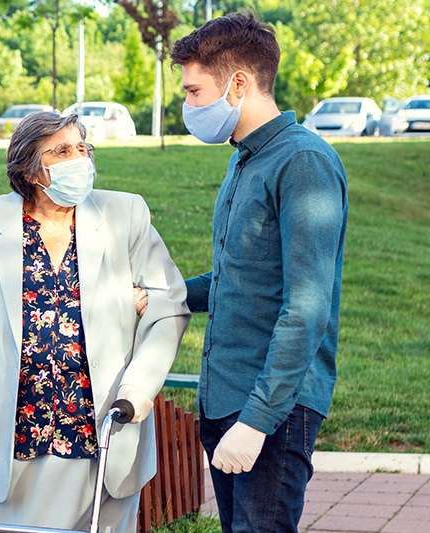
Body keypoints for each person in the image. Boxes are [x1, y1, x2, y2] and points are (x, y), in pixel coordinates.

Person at [0, 112, 190, 533]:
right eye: (63, 150)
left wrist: (140, 388)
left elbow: (168, 302)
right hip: (24, 432)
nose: (79, 159)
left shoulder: (124, 213)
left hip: (106, 422)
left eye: (83, 148)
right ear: (30, 169)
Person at [168, 11, 348, 533]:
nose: (188, 106)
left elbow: (306, 307)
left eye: (194, 92)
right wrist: (166, 295)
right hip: (226, 397)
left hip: (272, 409)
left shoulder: (304, 161)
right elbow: (239, 281)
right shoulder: (244, 160)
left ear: (238, 83)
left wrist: (255, 421)